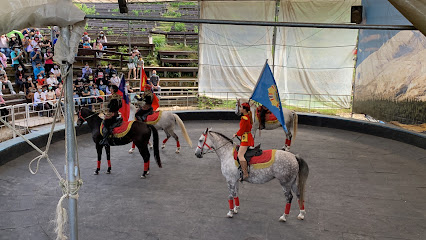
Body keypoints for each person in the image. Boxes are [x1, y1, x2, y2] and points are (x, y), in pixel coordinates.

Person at [233, 102, 254, 181]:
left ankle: (245, 173)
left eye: (241, 107)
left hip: (246, 138)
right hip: (247, 137)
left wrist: (236, 134)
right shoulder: (247, 116)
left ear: (244, 109)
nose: (240, 109)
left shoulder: (244, 119)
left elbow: (241, 131)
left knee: (240, 155)